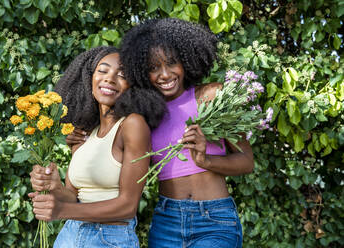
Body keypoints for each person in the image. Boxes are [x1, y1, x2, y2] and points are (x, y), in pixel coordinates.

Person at [68, 18, 254, 247]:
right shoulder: (142, 115)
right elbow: (113, 158)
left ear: (187, 61)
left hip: (213, 219)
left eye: (172, 63)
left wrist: (205, 160)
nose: (164, 74)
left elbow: (247, 162)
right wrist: (82, 144)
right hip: (166, 221)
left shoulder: (212, 96)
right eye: (153, 68)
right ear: (142, 73)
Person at [28, 46, 166, 248]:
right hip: (70, 235)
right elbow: (74, 198)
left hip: (109, 238)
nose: (110, 79)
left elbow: (127, 206)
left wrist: (60, 211)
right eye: (103, 71)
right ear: (89, 78)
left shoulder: (132, 125)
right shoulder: (85, 133)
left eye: (122, 75)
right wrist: (54, 187)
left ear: (133, 86)